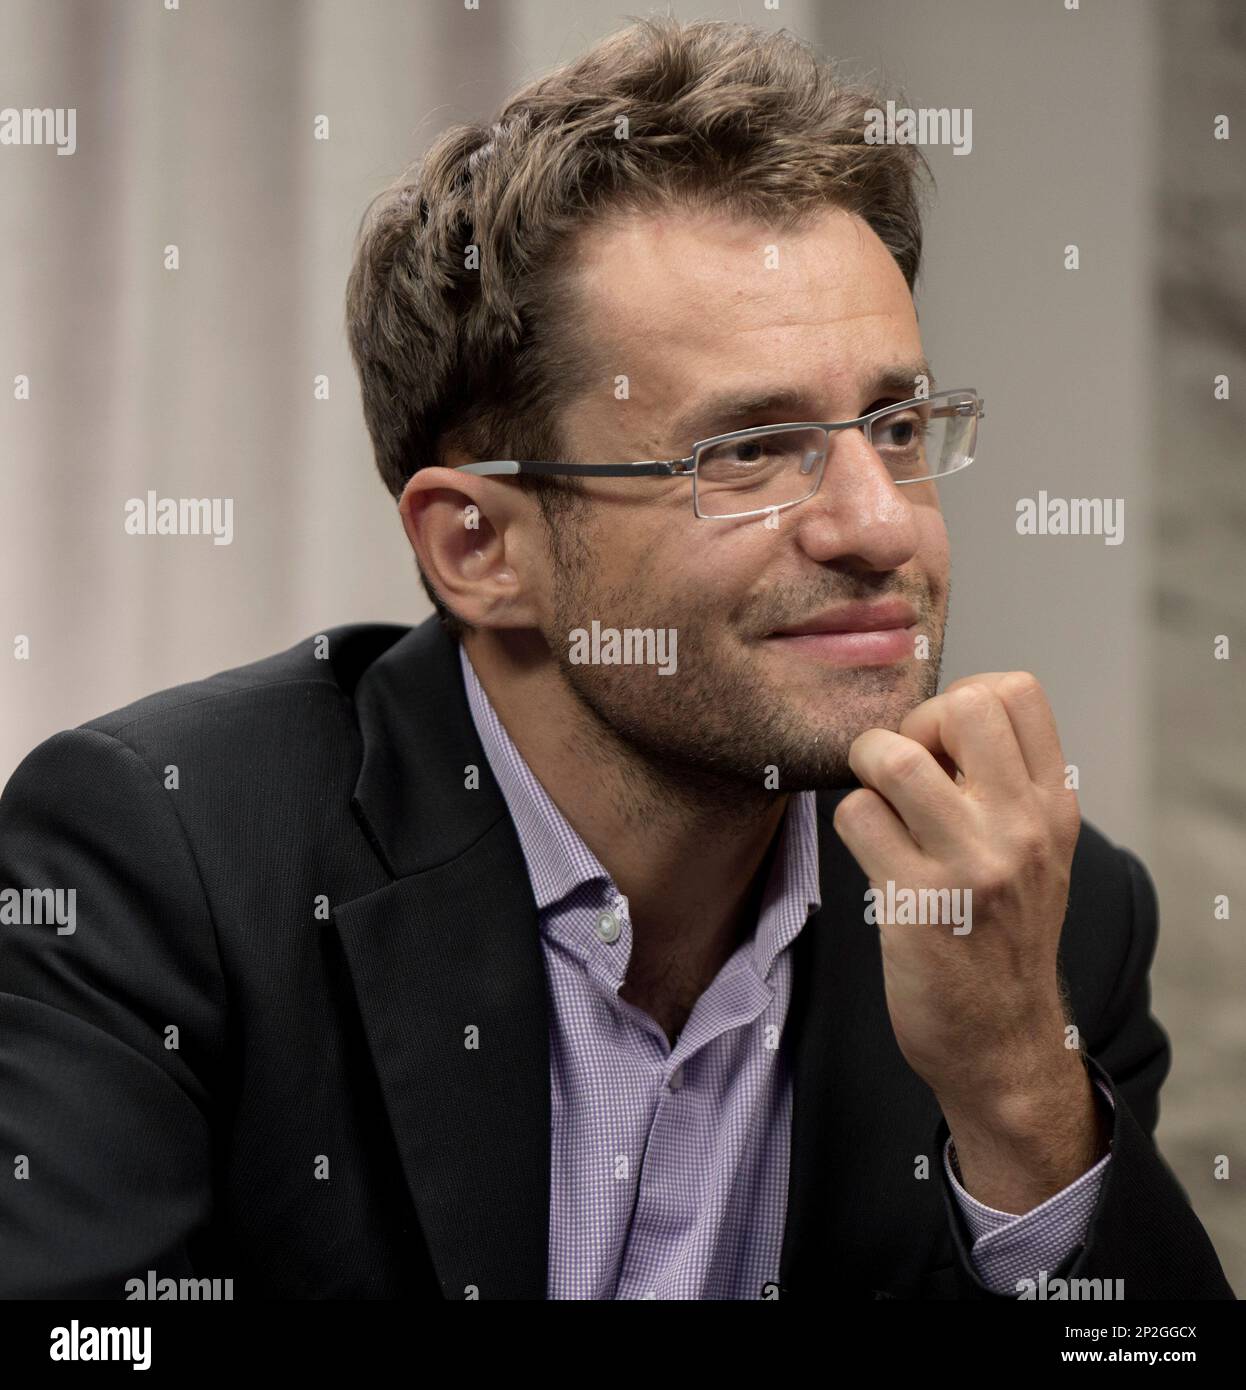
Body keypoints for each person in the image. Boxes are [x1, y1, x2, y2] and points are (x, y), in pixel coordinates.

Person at [0, 16, 1232, 1300]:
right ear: (480, 545)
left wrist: (1021, 1088)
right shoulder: (170, 861)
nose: (881, 525)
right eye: (746, 452)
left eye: (897, 423)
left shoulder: (1040, 919)